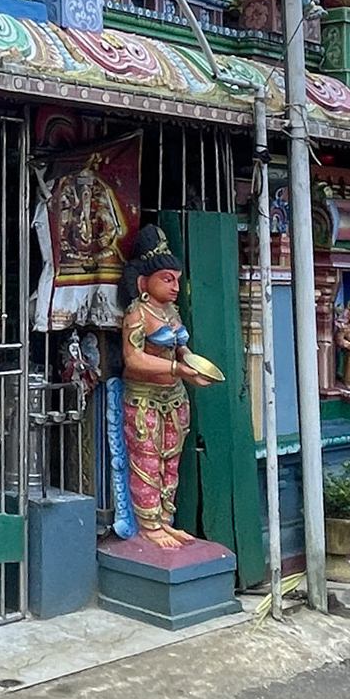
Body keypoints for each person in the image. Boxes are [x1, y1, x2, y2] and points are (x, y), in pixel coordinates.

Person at [116, 225, 220, 549]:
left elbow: (179, 346)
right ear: (143, 282)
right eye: (167, 279)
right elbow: (132, 359)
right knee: (147, 461)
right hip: (144, 400)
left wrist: (192, 362)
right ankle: (149, 525)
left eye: (177, 279)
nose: (176, 286)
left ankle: (165, 520)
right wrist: (177, 368)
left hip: (174, 398)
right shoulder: (137, 314)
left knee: (171, 461)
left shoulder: (171, 311)